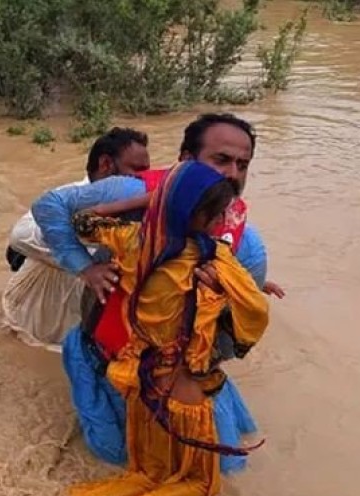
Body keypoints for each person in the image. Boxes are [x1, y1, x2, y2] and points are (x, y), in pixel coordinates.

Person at [31, 113, 281, 473]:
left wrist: (210, 314)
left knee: (227, 469)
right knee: (112, 457)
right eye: (221, 160)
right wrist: (84, 267)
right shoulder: (129, 193)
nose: (232, 175)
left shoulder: (247, 250)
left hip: (177, 378)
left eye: (243, 165)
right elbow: (48, 206)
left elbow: (235, 339)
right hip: (104, 355)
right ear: (184, 160)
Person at [64, 161, 270, 496]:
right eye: (218, 213)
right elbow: (255, 314)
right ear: (200, 217)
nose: (224, 220)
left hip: (140, 382)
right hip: (182, 393)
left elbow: (82, 219)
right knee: (204, 486)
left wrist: (150, 200)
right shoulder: (214, 260)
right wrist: (223, 305)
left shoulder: (132, 242)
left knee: (151, 471)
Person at [1, 128, 150, 350]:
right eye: (136, 171)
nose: (143, 179)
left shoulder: (141, 203)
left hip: (92, 329)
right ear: (106, 164)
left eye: (146, 171)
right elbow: (19, 236)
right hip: (31, 322)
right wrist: (84, 263)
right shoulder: (67, 198)